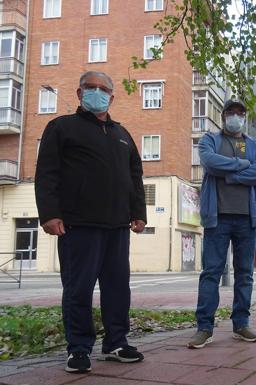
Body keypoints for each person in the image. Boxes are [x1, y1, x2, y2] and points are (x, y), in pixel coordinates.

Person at [35, 71, 147, 373]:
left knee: (117, 288)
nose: (97, 92)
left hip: (117, 226)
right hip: (77, 224)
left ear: (112, 96)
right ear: (79, 92)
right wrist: (49, 213)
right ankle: (79, 348)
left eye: (103, 89)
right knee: (78, 289)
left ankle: (116, 343)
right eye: (91, 87)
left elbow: (135, 176)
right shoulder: (61, 128)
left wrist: (139, 212)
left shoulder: (123, 135)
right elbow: (46, 173)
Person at [188, 99, 256, 349]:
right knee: (211, 272)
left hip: (247, 218)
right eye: (231, 112)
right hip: (217, 217)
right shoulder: (209, 140)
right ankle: (204, 327)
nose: (236, 116)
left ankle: (241, 324)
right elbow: (210, 163)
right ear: (223, 115)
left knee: (245, 274)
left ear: (245, 117)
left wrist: (229, 175)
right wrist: (242, 166)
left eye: (240, 113)